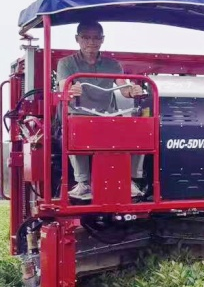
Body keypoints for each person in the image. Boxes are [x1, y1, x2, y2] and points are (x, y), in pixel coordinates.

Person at [57, 20, 145, 201]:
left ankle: (129, 180)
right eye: (86, 37)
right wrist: (71, 89)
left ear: (102, 39)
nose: (91, 42)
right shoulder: (66, 63)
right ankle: (83, 183)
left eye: (96, 38)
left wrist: (133, 90)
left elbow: (124, 88)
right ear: (77, 39)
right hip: (80, 113)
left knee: (140, 130)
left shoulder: (113, 65)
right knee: (73, 128)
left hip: (108, 115)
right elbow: (63, 87)